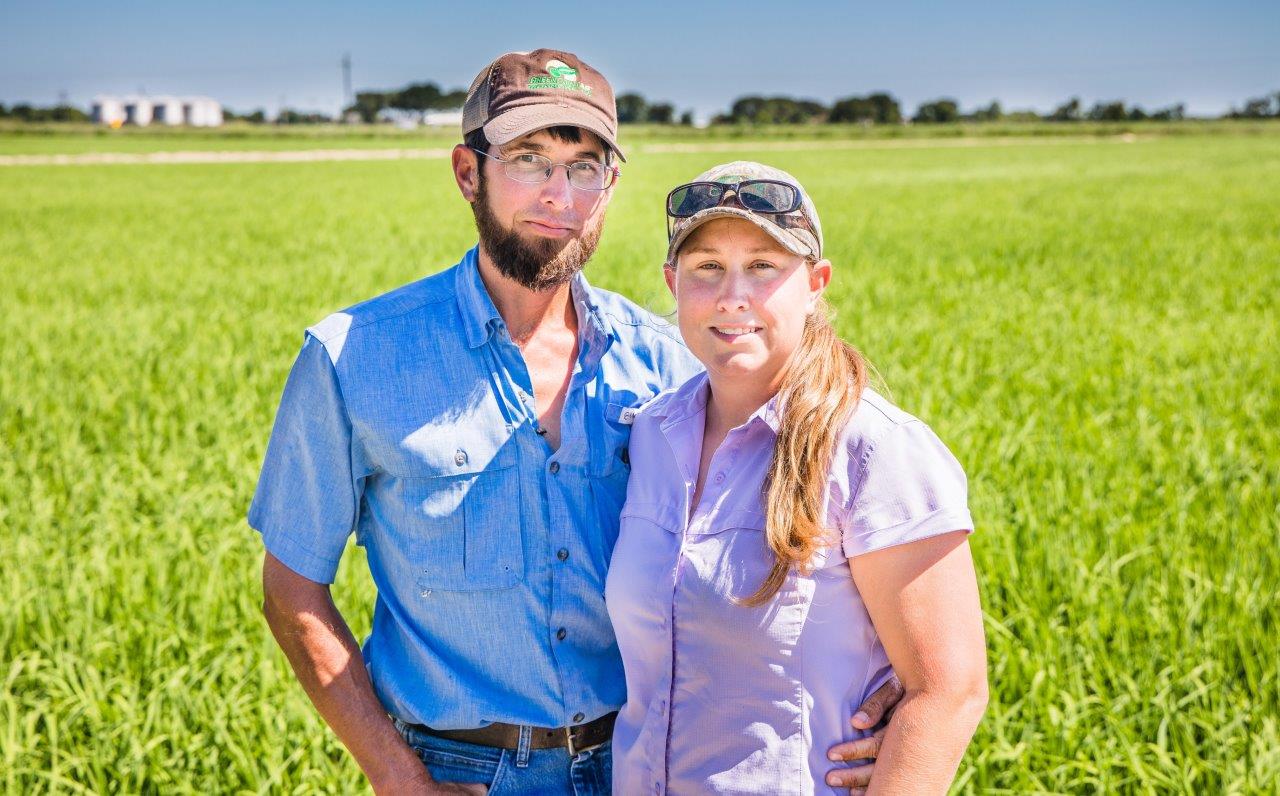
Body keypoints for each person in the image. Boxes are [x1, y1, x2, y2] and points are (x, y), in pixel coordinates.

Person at [249, 49, 901, 795]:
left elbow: (809, 522)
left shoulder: (672, 365)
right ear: (469, 172)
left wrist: (887, 686)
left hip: (646, 761)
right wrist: (401, 780)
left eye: (585, 167)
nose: (560, 193)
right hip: (459, 771)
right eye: (529, 159)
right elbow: (292, 590)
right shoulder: (353, 358)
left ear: (610, 184)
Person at [606, 162, 988, 795]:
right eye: (707, 268)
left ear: (815, 283)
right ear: (673, 283)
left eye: (763, 266)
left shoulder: (872, 450)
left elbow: (948, 691)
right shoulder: (651, 435)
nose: (733, 295)